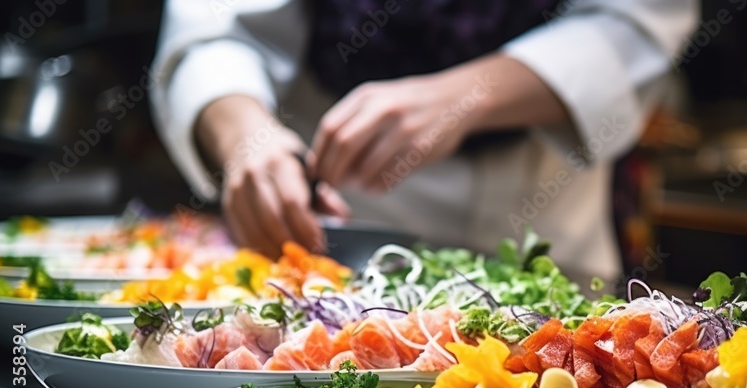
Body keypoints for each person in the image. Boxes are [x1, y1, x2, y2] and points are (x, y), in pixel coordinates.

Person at [149, 0, 697, 285]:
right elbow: (215, 31)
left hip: (548, 220)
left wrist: (470, 94)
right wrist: (248, 136)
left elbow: (637, 23)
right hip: (350, 226)